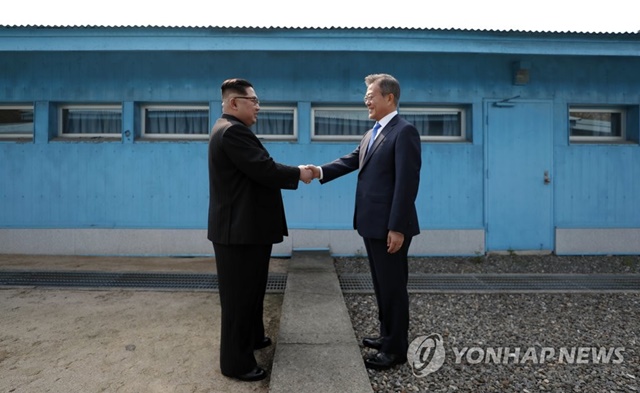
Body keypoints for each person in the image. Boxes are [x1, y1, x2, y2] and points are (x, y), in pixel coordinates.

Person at [307, 73, 421, 370]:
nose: (366, 100)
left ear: (389, 98)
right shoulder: (373, 132)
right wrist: (318, 171)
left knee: (394, 287)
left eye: (371, 95)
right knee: (381, 284)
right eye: (366, 96)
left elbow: (406, 184)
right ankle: (386, 335)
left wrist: (397, 227)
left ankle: (396, 349)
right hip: (371, 223)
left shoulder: (404, 131)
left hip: (390, 226)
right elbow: (351, 159)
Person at [208, 78, 313, 382]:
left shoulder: (233, 130)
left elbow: (258, 168)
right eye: (252, 100)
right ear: (233, 103)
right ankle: (236, 363)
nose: (258, 106)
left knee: (252, 292)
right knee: (239, 299)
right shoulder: (231, 132)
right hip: (238, 233)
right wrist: (300, 173)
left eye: (257, 100)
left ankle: (254, 337)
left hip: (246, 230)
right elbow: (265, 169)